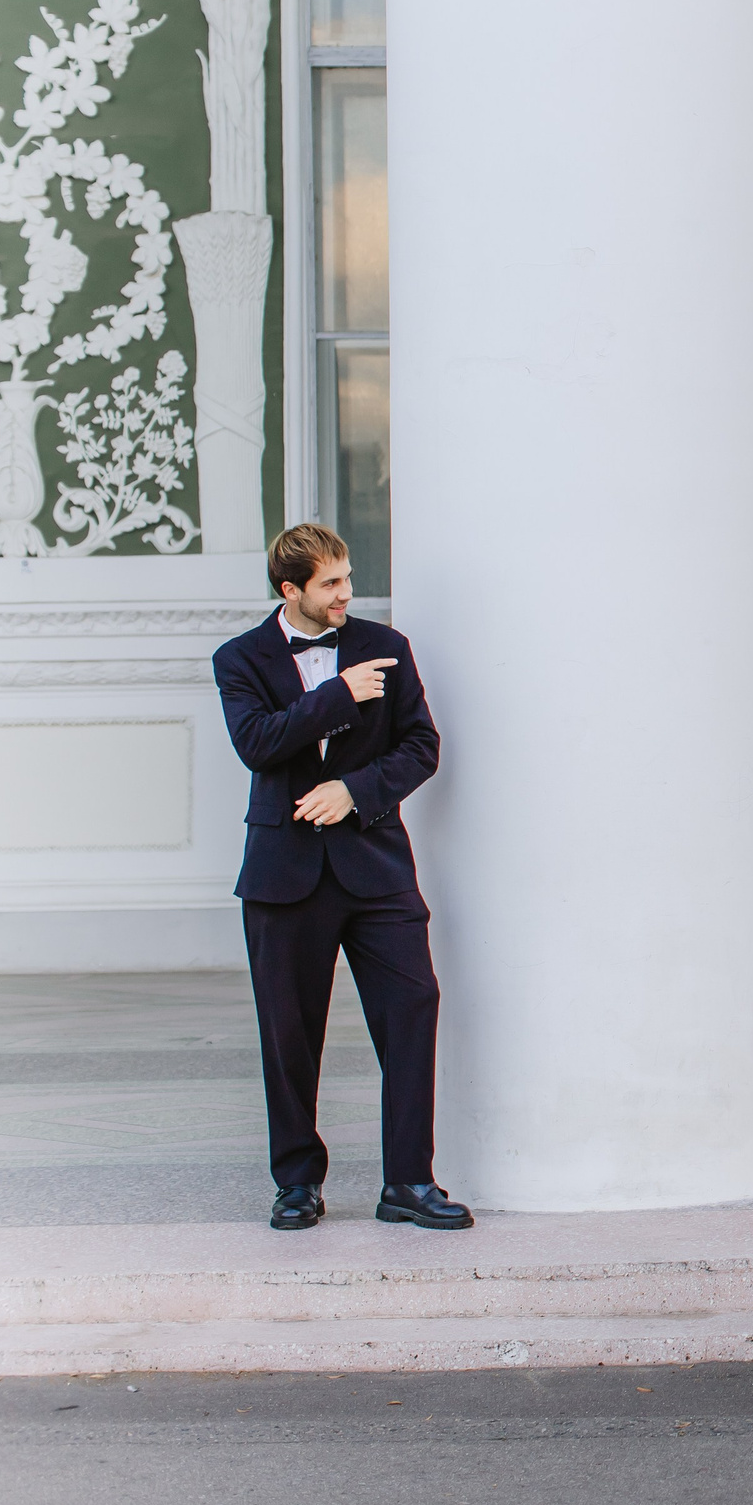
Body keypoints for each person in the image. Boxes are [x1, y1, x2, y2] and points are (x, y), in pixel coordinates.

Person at [212, 524, 471, 1231]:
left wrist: (355, 791)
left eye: (349, 577)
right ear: (290, 590)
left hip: (376, 867)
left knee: (414, 1008)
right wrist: (338, 697)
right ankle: (297, 1183)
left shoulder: (386, 647)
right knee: (289, 1034)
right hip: (282, 873)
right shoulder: (238, 658)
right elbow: (257, 743)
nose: (346, 594)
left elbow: (423, 747)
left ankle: (409, 1181)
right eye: (330, 583)